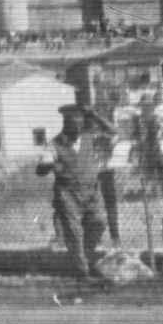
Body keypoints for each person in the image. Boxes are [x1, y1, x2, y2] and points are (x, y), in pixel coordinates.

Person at [36, 103, 115, 282]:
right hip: (68, 192)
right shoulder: (55, 144)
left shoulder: (90, 137)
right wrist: (48, 165)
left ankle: (84, 260)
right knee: (74, 232)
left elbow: (113, 132)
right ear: (66, 124)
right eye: (74, 123)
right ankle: (83, 272)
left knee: (99, 222)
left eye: (81, 122)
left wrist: (95, 115)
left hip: (92, 191)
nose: (78, 127)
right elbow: (40, 169)